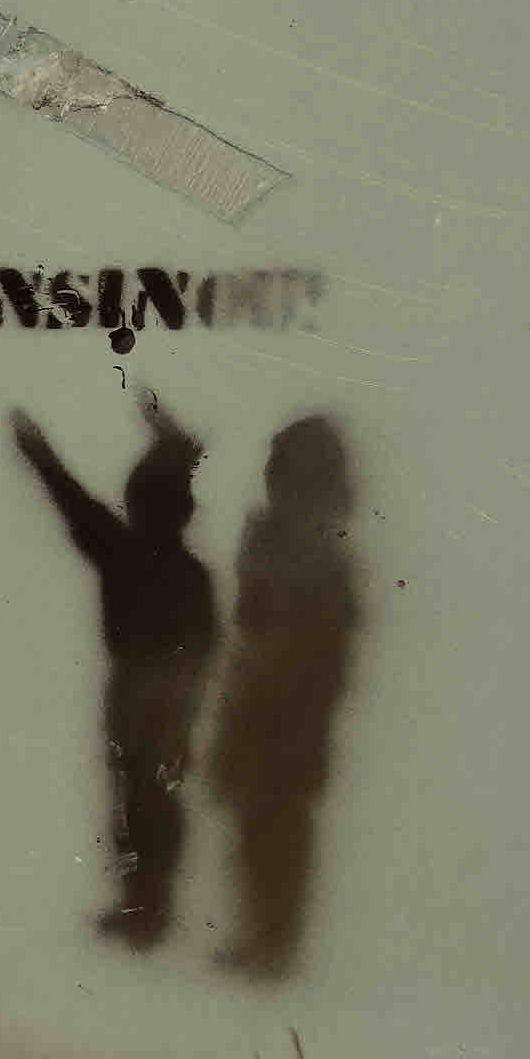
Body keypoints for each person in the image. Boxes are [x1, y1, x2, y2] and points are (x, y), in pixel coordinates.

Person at [11, 394, 217, 945]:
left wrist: (37, 451)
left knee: (133, 801)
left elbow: (73, 502)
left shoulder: (122, 550)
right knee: (158, 799)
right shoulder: (191, 573)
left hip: (134, 693)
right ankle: (152, 905)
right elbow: (207, 645)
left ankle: (144, 908)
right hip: (175, 698)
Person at [209, 417, 358, 979]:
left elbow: (326, 646)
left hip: (294, 706)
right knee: (255, 818)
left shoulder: (323, 553)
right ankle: (262, 936)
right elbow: (250, 622)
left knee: (280, 822)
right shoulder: (274, 539)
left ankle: (275, 943)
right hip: (261, 697)